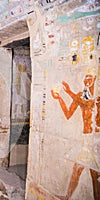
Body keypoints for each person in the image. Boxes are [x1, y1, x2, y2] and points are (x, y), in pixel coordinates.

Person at [51, 72, 100, 200]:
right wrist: (60, 98)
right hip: (86, 139)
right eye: (85, 78)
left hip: (96, 139)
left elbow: (87, 104)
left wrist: (68, 91)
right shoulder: (80, 96)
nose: (86, 81)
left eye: (90, 78)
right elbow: (68, 114)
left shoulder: (96, 98)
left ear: (95, 80)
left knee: (95, 174)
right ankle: (67, 196)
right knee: (78, 169)